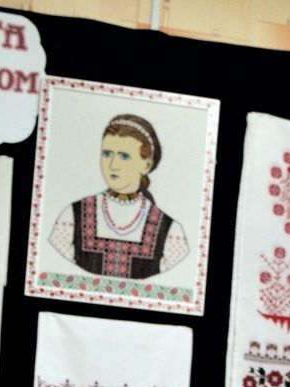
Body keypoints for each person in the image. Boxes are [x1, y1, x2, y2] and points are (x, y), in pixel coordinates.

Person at [47, 112, 190, 280]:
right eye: (107, 154)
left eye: (124, 156)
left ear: (146, 164)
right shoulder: (73, 215)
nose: (113, 165)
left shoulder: (170, 230)